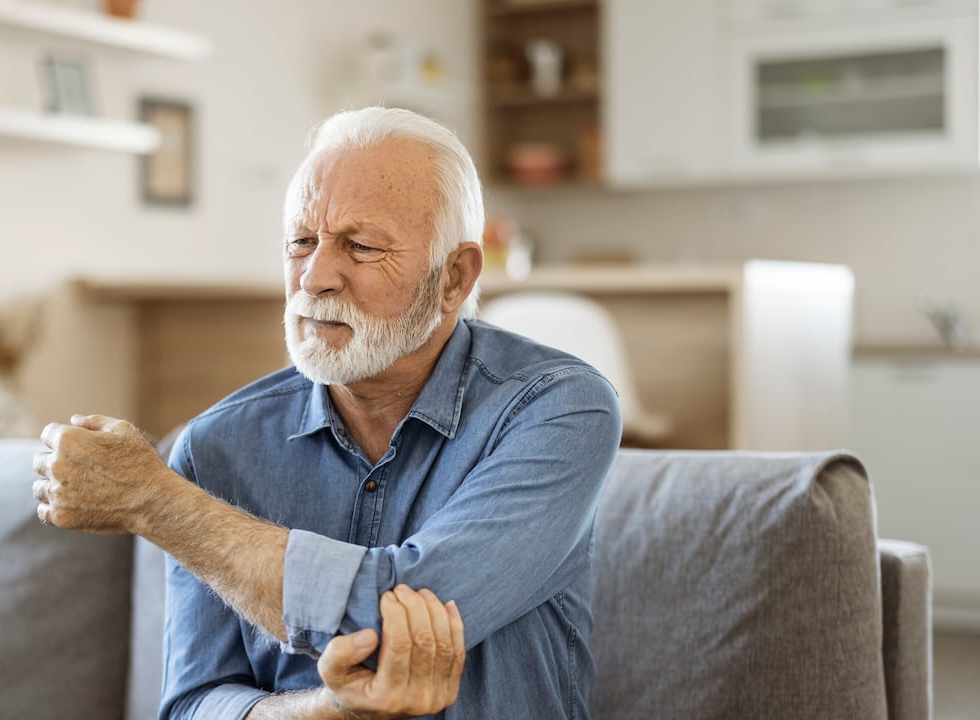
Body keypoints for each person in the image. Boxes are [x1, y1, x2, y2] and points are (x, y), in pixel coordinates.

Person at [32, 107, 622, 719]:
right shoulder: (214, 447)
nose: (314, 279)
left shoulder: (557, 408)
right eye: (301, 242)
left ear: (454, 277)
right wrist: (328, 713)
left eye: (361, 247)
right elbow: (193, 705)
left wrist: (158, 503)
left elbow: (401, 615)